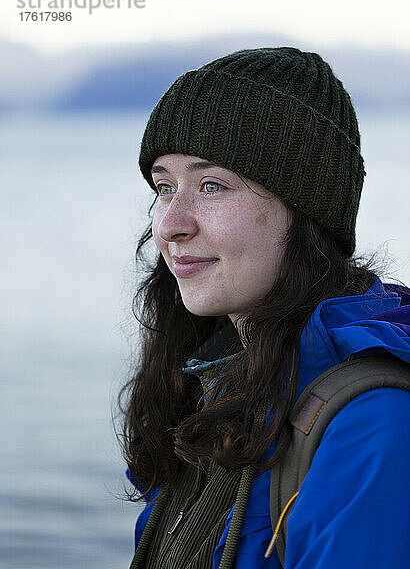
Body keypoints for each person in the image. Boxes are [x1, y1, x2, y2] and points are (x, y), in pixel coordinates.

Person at [116, 47, 410, 568]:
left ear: (305, 212)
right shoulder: (212, 387)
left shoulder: (374, 422)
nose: (169, 224)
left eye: (212, 186)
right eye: (164, 187)